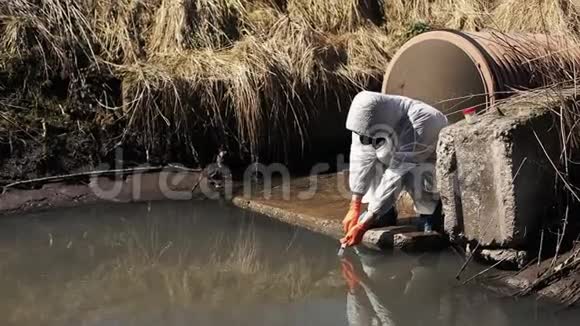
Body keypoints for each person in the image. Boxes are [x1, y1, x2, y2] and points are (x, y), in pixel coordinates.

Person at [341, 91, 448, 247]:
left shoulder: (423, 119)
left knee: (418, 173)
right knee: (372, 162)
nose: (364, 139)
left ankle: (429, 215)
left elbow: (397, 174)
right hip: (395, 153)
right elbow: (361, 158)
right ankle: (384, 214)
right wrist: (355, 205)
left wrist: (363, 224)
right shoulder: (363, 122)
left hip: (423, 159)